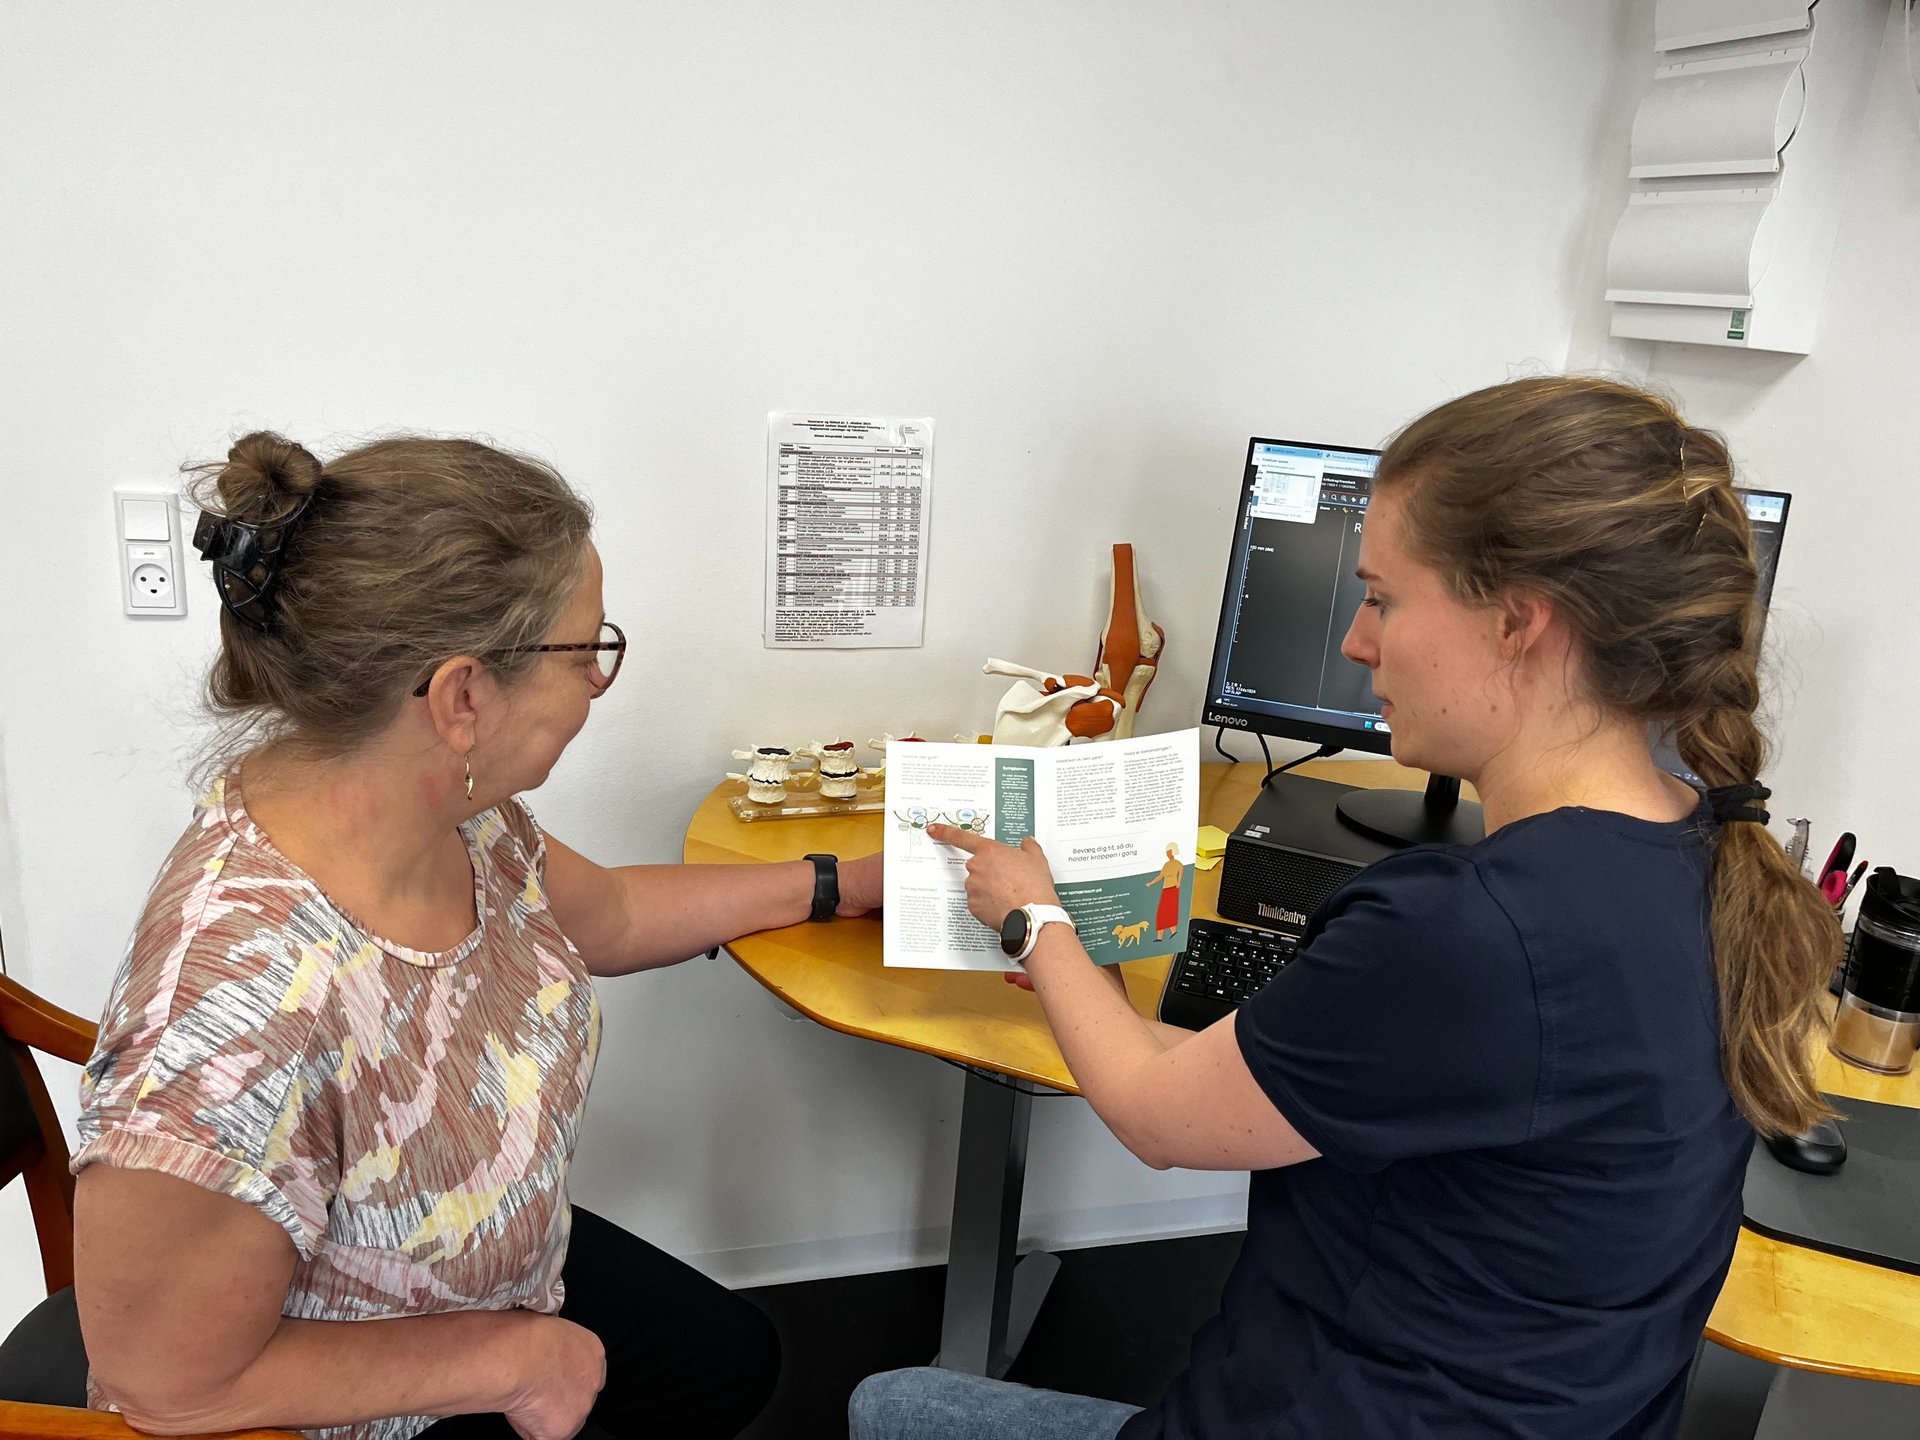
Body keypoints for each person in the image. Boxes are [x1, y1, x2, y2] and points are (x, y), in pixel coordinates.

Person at [850, 376, 1840, 1439]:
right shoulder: (1714, 858)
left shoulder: (1469, 930)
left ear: (1518, 620)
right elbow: (1286, 1080)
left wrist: (1036, 916)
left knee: (891, 1403)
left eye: (1383, 598)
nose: (1358, 642)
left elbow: (1153, 1115)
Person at [70, 432, 882, 1440]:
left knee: (735, 1359)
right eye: (585, 653)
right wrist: (512, 1361)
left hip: (476, 1267)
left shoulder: (445, 812)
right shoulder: (232, 1023)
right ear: (462, 697)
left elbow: (613, 915)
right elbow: (167, 1387)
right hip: (349, 1405)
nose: (596, 683)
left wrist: (838, 883)